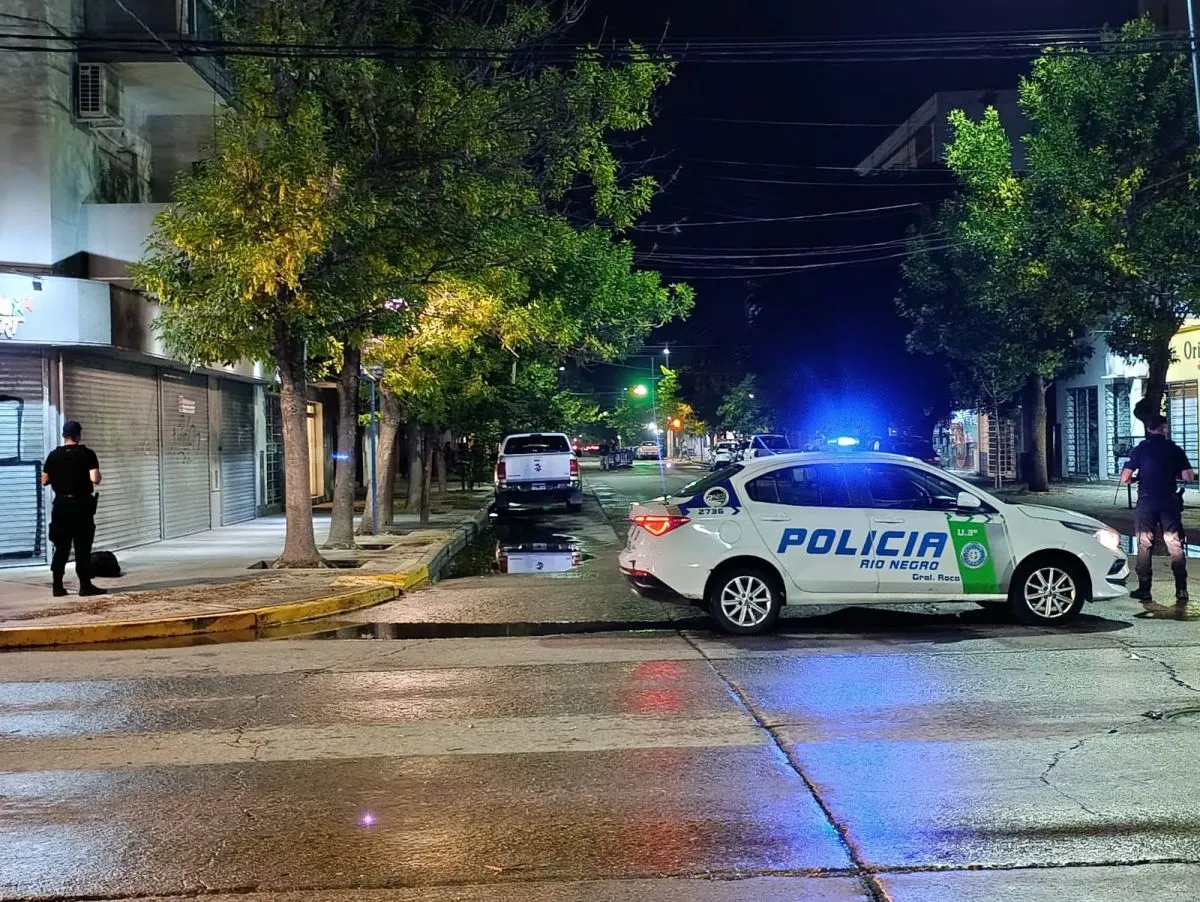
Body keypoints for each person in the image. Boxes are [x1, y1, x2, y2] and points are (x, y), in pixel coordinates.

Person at [1120, 413, 1195, 608]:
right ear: (1165, 428)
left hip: (1146, 502)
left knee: (1144, 545)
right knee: (1175, 545)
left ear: (1148, 429)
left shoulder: (1140, 449)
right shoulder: (1174, 449)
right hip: (1169, 502)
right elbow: (1188, 477)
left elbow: (1125, 477)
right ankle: (1181, 588)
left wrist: (1137, 477)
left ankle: (1144, 589)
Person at [41, 420, 105, 597]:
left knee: (61, 546)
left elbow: (44, 481)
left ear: (64, 435)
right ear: (78, 435)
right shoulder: (88, 454)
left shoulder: (53, 456)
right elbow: (95, 479)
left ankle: (57, 586)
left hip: (61, 506)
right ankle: (85, 585)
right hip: (81, 505)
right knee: (82, 546)